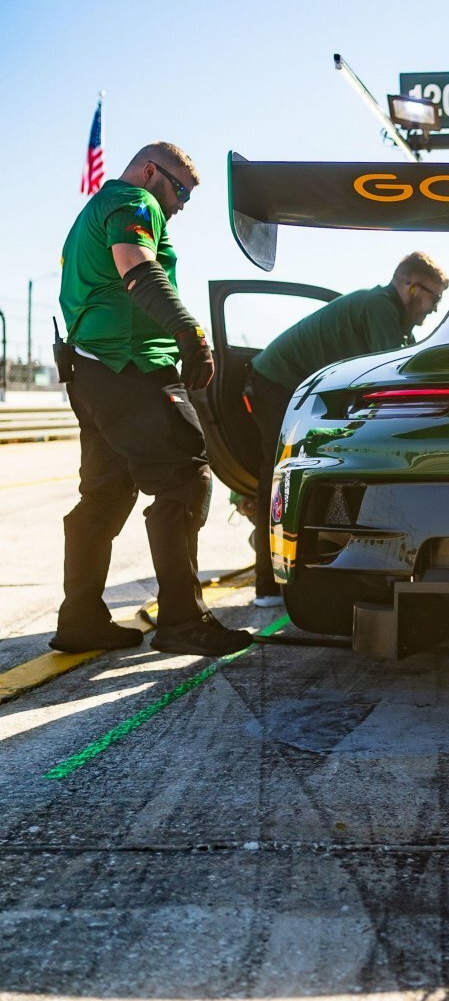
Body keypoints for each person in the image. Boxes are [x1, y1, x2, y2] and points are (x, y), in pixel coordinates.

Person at [53, 143, 253, 656]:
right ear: (149, 172)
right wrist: (189, 332)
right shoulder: (134, 201)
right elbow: (137, 265)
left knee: (104, 495)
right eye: (180, 190)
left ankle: (80, 620)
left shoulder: (94, 210)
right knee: (185, 479)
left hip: (92, 373)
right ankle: (184, 621)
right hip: (133, 367)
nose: (181, 204)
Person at [246, 252, 449, 604]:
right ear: (412, 287)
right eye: (435, 298)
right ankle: (269, 583)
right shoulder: (380, 307)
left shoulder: (388, 313)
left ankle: (302, 567)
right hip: (277, 383)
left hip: (292, 386)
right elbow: (399, 377)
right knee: (282, 476)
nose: (434, 309)